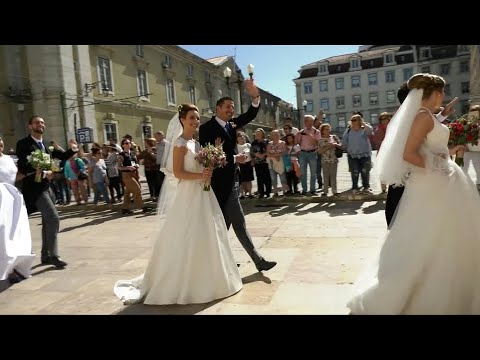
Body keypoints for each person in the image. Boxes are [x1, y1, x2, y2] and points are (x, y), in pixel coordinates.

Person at [347, 73, 480, 314]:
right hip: (431, 183)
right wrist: (440, 166)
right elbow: (408, 154)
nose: (444, 95)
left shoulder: (426, 116)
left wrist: (449, 152)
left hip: (440, 182)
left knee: (441, 236)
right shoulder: (421, 116)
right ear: (436, 92)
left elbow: (430, 149)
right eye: (442, 91)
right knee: (425, 237)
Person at [114, 104, 242, 305]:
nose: (195, 121)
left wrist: (212, 162)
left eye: (197, 118)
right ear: (182, 119)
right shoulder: (180, 143)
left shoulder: (195, 142)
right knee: (187, 234)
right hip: (188, 194)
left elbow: (201, 165)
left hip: (202, 193)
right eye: (191, 117)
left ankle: (209, 277)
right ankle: (181, 282)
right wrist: (202, 174)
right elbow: (179, 173)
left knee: (206, 233)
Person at [199, 80, 277, 272]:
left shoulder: (232, 125)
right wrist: (235, 157)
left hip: (233, 179)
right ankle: (256, 261)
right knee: (237, 223)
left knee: (225, 225)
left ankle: (221, 261)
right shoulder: (206, 128)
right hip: (218, 183)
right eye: (227, 107)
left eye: (233, 108)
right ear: (218, 108)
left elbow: (250, 114)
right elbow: (208, 156)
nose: (231, 110)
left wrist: (255, 97)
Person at [384, 82, 457, 227]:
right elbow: (416, 139)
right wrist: (439, 161)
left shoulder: (409, 116)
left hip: (412, 176)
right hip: (408, 178)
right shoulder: (412, 118)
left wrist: (442, 116)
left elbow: (427, 128)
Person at [16, 116, 78, 268]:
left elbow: (61, 157)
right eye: (37, 122)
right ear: (30, 126)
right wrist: (45, 172)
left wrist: (73, 149)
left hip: (47, 187)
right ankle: (54, 255)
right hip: (34, 189)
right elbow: (24, 166)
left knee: (47, 220)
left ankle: (45, 255)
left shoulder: (45, 145)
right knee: (53, 218)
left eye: (42, 122)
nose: (41, 125)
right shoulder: (24, 144)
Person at [0, 136, 35, 282]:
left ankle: (14, 267)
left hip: (12, 200)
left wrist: (34, 169)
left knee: (15, 234)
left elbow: (15, 176)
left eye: (0, 140)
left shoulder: (9, 159)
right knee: (3, 234)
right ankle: (6, 269)